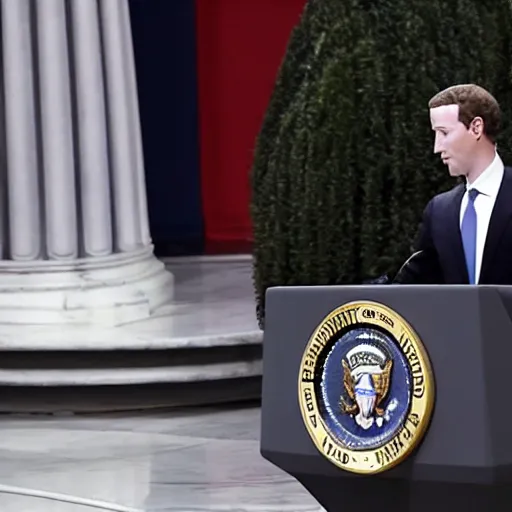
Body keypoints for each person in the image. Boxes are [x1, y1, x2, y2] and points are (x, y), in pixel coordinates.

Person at [394, 84, 512, 285]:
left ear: (476, 128)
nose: (436, 147)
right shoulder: (439, 211)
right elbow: (410, 285)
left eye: (444, 133)